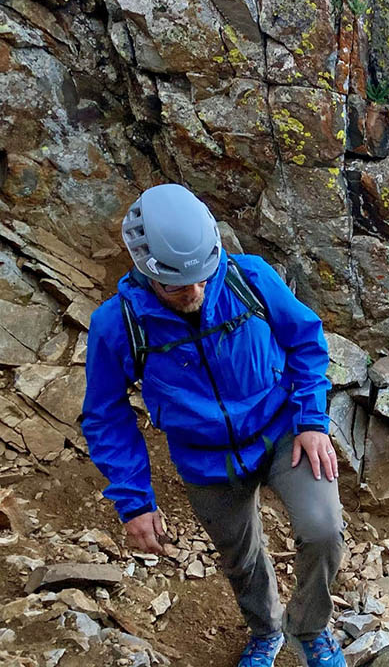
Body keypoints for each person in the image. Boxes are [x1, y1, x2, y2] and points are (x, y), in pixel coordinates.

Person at [81, 184, 347, 667]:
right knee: (240, 557)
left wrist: (311, 418)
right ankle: (266, 632)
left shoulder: (251, 279)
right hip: (205, 459)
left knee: (324, 531)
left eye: (203, 277)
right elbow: (105, 414)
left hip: (282, 430)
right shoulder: (118, 325)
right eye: (180, 285)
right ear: (146, 270)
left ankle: (309, 628)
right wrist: (134, 500)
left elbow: (306, 340)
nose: (197, 292)